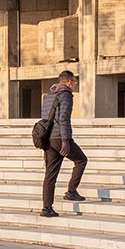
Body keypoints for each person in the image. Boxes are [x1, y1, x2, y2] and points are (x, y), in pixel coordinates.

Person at [39, 69, 89, 216]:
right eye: (74, 81)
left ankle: (46, 208)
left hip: (48, 139)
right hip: (59, 138)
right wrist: (66, 141)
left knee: (50, 174)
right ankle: (71, 191)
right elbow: (63, 119)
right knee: (81, 160)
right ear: (68, 82)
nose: (74, 84)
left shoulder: (50, 94)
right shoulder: (65, 95)